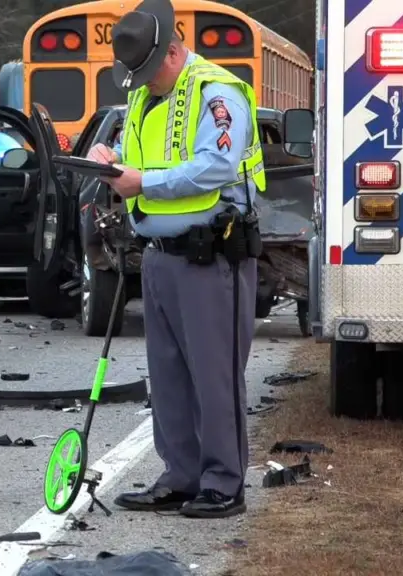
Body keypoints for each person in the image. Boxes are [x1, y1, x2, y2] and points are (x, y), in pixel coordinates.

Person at [87, 0, 266, 519]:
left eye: (145, 70)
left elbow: (215, 166)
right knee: (167, 376)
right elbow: (141, 162)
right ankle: (182, 474)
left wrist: (142, 182)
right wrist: (112, 165)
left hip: (212, 254)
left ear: (171, 51)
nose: (139, 81)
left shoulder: (217, 93)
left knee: (215, 375)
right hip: (160, 255)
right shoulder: (145, 100)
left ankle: (223, 482)